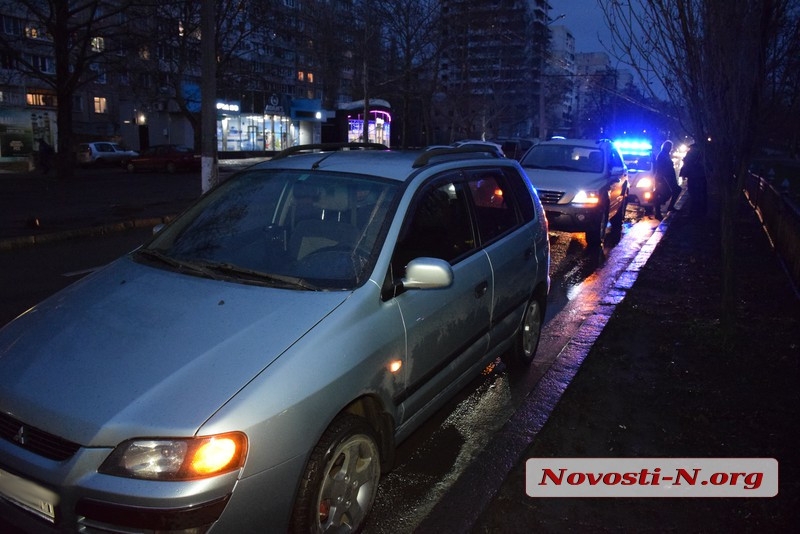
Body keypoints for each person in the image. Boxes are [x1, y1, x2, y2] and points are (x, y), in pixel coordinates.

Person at [679, 143, 708, 218]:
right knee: (700, 195)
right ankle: (701, 212)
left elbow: (686, 164)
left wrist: (683, 174)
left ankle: (694, 213)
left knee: (694, 195)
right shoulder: (703, 153)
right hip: (701, 176)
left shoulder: (691, 154)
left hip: (693, 177)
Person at [653, 140, 680, 218]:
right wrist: (663, 178)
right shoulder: (662, 155)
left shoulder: (665, 155)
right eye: (669, 146)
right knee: (666, 194)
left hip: (667, 178)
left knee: (675, 190)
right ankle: (658, 209)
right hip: (664, 178)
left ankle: (666, 208)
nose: (670, 148)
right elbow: (661, 169)